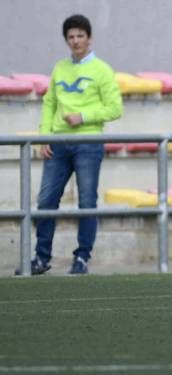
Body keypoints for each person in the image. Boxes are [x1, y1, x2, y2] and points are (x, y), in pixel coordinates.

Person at [23, 14, 123, 275]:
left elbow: (115, 108)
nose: (76, 41)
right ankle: (41, 257)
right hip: (57, 142)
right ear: (66, 40)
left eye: (80, 35)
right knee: (46, 201)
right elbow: (49, 104)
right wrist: (44, 135)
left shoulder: (102, 70)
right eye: (71, 36)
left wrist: (84, 116)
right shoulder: (59, 68)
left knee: (87, 201)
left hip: (88, 142)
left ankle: (82, 258)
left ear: (89, 38)